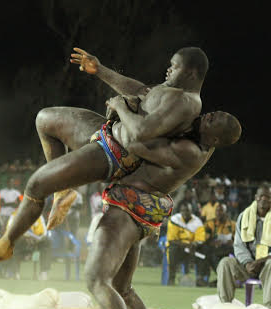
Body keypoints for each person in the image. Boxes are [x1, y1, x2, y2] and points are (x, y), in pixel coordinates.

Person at [0, 109, 241, 309]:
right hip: (139, 208)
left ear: (215, 138)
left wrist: (121, 106)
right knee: (123, 289)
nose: (211, 115)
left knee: (96, 279)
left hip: (127, 205)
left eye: (216, 119)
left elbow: (135, 140)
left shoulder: (189, 147)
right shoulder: (194, 137)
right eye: (215, 113)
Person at [40, 46, 208, 230]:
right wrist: (100, 70)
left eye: (174, 67)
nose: (168, 70)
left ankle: (58, 193)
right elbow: (141, 90)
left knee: (37, 178)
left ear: (191, 73)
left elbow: (141, 131)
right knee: (45, 119)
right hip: (116, 141)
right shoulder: (174, 92)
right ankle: (62, 192)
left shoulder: (186, 101)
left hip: (120, 156)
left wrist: (121, 106)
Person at [216, 182, 271, 309]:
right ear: (256, 197)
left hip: (267, 266)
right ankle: (225, 307)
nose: (264, 199)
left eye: (268, 196)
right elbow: (238, 245)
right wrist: (247, 262)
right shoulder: (243, 217)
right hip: (246, 266)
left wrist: (260, 261)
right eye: (261, 196)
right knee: (225, 263)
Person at [195, 203, 236, 287]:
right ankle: (203, 278)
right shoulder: (210, 224)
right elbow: (204, 239)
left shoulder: (232, 225)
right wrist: (212, 242)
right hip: (214, 248)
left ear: (226, 212)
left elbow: (239, 240)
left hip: (228, 249)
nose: (218, 213)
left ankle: (223, 279)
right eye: (217, 211)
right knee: (205, 251)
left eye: (221, 211)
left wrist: (232, 241)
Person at [166, 202, 205, 285]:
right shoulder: (174, 220)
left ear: (191, 211)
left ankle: (200, 278)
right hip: (178, 247)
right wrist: (186, 245)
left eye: (187, 210)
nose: (185, 213)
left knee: (204, 250)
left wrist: (194, 244)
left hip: (192, 248)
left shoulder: (197, 222)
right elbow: (172, 240)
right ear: (180, 211)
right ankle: (171, 278)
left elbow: (200, 239)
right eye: (183, 210)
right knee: (172, 249)